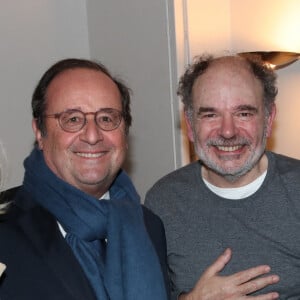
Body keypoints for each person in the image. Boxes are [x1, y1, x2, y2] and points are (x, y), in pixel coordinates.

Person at [0, 58, 169, 300]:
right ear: (39, 132)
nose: (92, 135)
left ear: (125, 132)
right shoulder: (5, 227)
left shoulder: (149, 226)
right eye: (72, 119)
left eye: (107, 119)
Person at [145, 53, 300, 299]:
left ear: (269, 120)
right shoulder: (163, 202)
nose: (228, 131)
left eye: (244, 113)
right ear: (190, 124)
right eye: (210, 114)